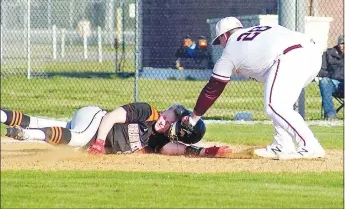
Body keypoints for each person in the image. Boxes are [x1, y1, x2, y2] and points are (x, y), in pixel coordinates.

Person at [180, 17, 325, 160]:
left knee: (274, 105)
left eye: (220, 41)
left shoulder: (230, 49)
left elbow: (213, 88)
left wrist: (193, 119)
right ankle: (282, 144)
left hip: (291, 56)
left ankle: (309, 146)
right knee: (281, 104)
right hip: (312, 54)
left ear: (225, 35)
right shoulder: (259, 32)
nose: (221, 45)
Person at [1, 103, 232, 158]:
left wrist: (202, 152)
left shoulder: (156, 140)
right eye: (170, 114)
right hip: (95, 118)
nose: (166, 117)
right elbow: (112, 116)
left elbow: (172, 150)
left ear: (175, 133)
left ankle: (4, 116)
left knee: (41, 122)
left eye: (172, 122)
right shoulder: (149, 112)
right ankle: (28, 135)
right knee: (79, 138)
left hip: (88, 131)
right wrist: (100, 142)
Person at [318, 34, 344, 120]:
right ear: (338, 44)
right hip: (332, 83)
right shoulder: (328, 54)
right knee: (324, 82)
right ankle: (330, 115)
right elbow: (321, 70)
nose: (343, 46)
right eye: (342, 43)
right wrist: (332, 75)